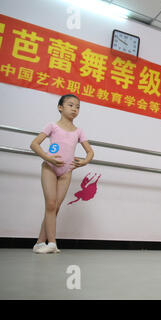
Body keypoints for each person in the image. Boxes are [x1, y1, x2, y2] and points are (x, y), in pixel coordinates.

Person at [30, 94, 94, 254]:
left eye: (78, 107)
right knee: (50, 205)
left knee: (55, 207)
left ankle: (39, 243)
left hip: (66, 171)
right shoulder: (52, 126)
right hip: (49, 168)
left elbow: (90, 152)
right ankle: (52, 243)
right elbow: (34, 144)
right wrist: (47, 157)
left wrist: (84, 162)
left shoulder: (78, 131)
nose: (75, 109)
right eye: (71, 105)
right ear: (60, 107)